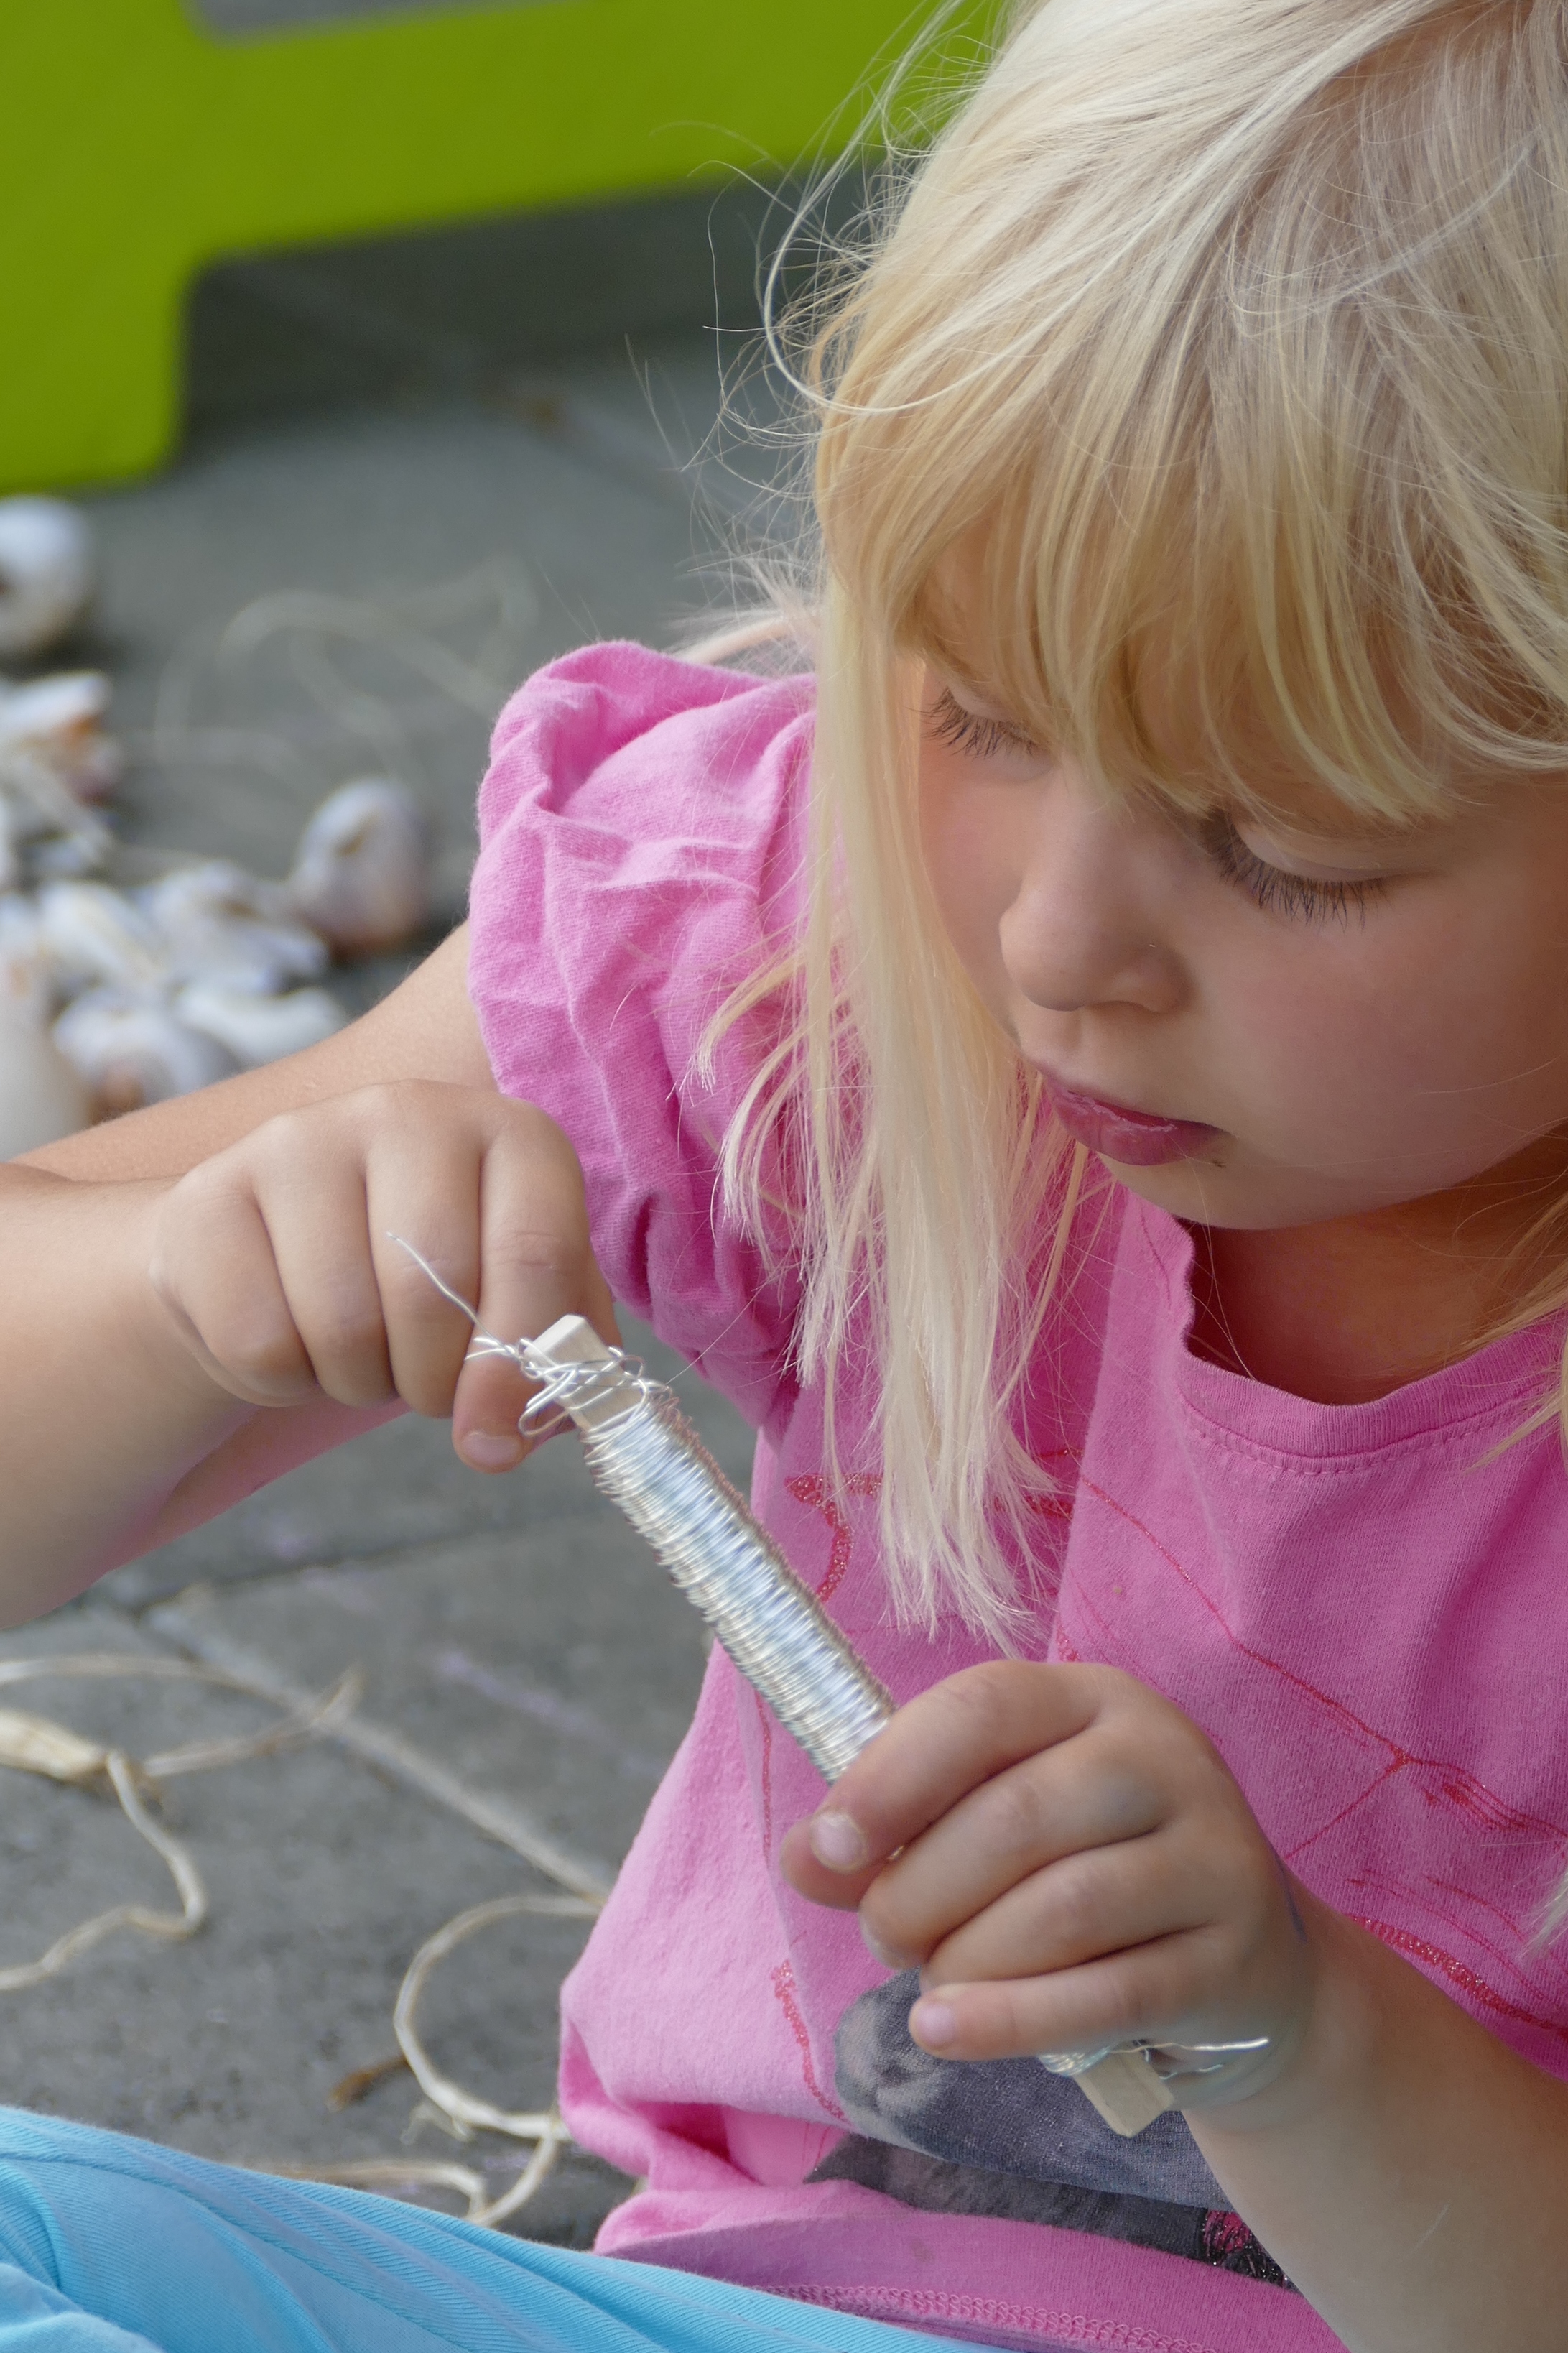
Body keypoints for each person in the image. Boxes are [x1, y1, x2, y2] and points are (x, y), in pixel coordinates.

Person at [5, 1, 1568, 2346]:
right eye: (983, 714)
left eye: (1286, 849)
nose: (1055, 942)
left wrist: (1303, 2037)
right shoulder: (817, 955)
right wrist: (187, 1300)